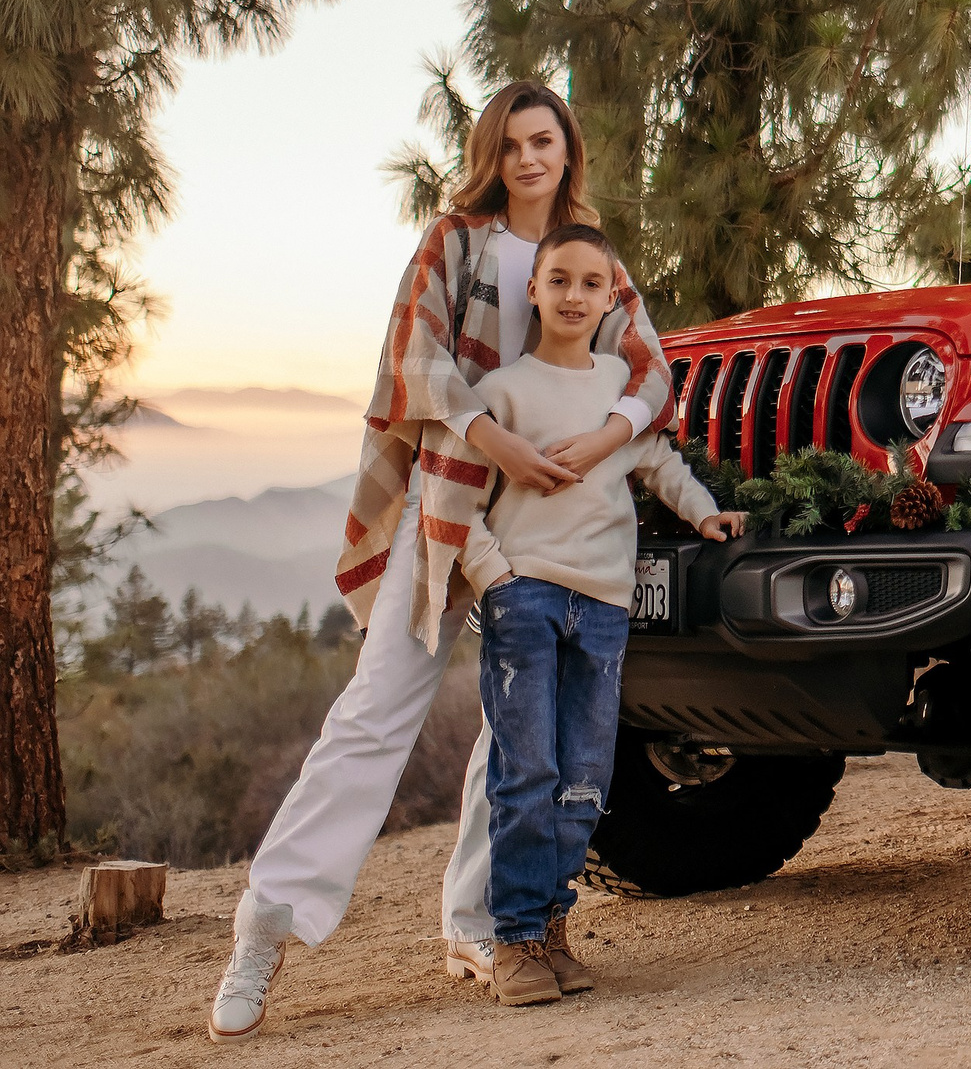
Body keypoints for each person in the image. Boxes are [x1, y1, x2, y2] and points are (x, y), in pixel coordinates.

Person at [210, 83, 673, 1042]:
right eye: (510, 145)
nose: (529, 159)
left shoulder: (591, 253)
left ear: (567, 146)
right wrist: (490, 436)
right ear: (490, 155)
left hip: (551, 529)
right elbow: (413, 357)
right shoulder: (455, 239)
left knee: (517, 728)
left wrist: (608, 437)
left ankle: (479, 923)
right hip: (451, 508)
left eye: (543, 140)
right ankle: (268, 920)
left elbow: (650, 369)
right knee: (377, 708)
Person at [461, 223, 744, 1005]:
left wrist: (705, 512)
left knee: (585, 776)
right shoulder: (504, 390)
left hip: (606, 604)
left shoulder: (621, 386)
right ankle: (514, 939)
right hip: (527, 597)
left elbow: (656, 459)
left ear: (612, 296)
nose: (575, 296)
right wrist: (493, 574)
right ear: (534, 290)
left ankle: (552, 925)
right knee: (527, 772)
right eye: (560, 280)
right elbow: (457, 499)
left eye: (593, 283)